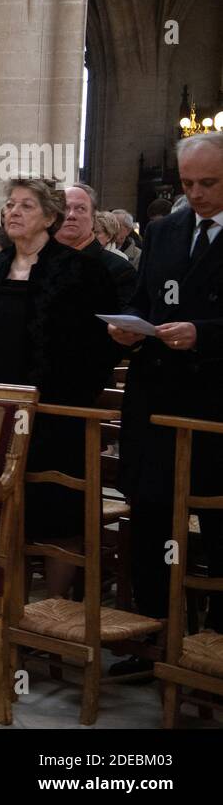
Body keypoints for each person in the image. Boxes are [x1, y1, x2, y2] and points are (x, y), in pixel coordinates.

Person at [0, 177, 120, 597]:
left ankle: (51, 610)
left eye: (26, 206)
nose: (13, 212)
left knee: (55, 511)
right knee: (4, 512)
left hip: (55, 413)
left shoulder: (81, 270)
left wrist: (65, 395)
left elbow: (98, 347)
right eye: (10, 205)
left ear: (51, 217)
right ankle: (9, 607)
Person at [111, 132, 223, 651]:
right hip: (157, 398)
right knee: (152, 518)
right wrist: (130, 329)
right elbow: (143, 299)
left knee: (218, 527)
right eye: (188, 183)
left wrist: (203, 333)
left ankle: (213, 649)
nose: (196, 193)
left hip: (214, 403)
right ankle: (154, 635)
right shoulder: (163, 230)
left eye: (209, 183)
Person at [54, 182, 137, 308]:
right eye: (65, 208)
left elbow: (126, 318)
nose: (71, 215)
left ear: (93, 219)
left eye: (80, 209)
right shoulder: (35, 262)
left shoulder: (118, 270)